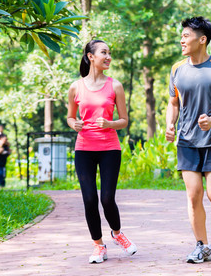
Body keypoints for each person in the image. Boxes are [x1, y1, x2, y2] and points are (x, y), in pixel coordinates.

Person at [165, 16, 211, 263]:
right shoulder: (177, 69)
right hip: (186, 140)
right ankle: (202, 246)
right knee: (194, 194)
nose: (182, 40)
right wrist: (169, 124)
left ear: (202, 39)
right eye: (182, 35)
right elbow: (173, 103)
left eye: (186, 36)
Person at [67, 39, 137, 264]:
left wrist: (109, 124)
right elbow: (70, 116)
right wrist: (73, 123)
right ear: (91, 57)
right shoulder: (76, 87)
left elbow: (124, 120)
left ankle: (117, 234)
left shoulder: (115, 86)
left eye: (109, 53)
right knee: (89, 199)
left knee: (107, 198)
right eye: (103, 53)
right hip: (84, 149)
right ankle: (99, 246)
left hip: (109, 149)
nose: (108, 57)